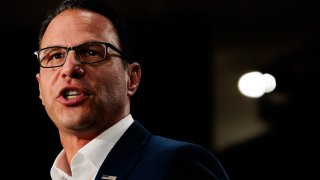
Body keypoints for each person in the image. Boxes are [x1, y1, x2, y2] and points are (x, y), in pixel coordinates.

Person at [34, 0, 230, 179]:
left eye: (92, 52)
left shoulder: (178, 165)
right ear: (40, 87)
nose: (69, 68)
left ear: (131, 78)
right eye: (55, 56)